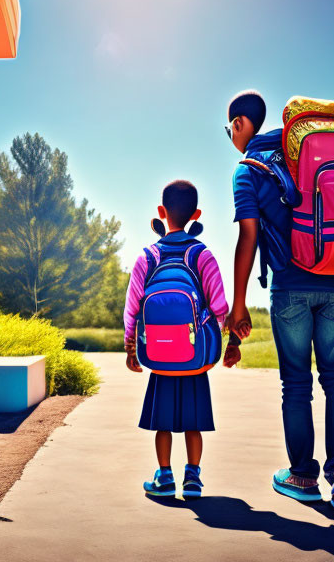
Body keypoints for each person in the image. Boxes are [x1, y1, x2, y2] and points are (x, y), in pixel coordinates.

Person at [226, 90, 334, 513]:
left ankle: (302, 475)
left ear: (238, 125)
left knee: (297, 383)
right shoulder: (307, 154)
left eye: (228, 128)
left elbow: (248, 237)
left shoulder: (247, 169)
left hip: (290, 287)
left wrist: (239, 303)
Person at [124, 180, 230, 498]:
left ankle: (165, 476)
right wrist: (223, 340)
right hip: (194, 357)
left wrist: (131, 346)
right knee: (194, 422)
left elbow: (133, 307)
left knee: (163, 423)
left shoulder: (148, 256)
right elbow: (220, 306)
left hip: (159, 356)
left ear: (162, 212)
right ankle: (193, 478)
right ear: (196, 214)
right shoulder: (202, 255)